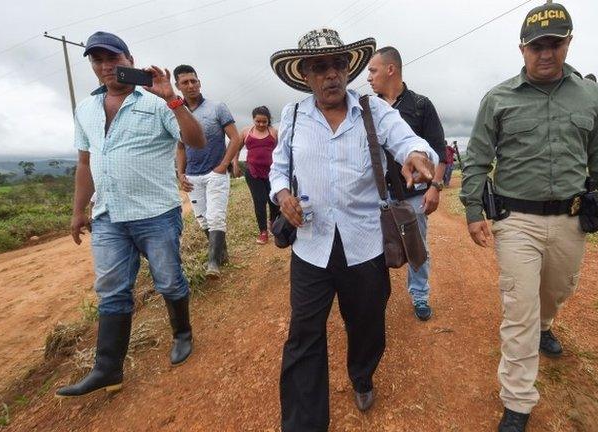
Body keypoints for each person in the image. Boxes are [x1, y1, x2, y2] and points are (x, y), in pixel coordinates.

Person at [459, 3, 598, 431]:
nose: (545, 53)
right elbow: (477, 158)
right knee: (519, 308)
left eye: (554, 44)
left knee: (558, 289)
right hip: (516, 220)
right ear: (523, 49)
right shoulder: (498, 99)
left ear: (567, 44)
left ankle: (546, 323)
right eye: (536, 45)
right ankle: (518, 401)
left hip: (571, 221)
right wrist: (472, 209)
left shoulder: (590, 95)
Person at [269, 28, 438, 430]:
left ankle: (362, 374)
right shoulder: (292, 115)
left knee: (367, 324)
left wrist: (415, 154)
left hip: (364, 244)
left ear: (348, 69)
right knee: (304, 336)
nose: (330, 74)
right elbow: (278, 169)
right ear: (305, 75)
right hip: (311, 245)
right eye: (319, 67)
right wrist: (281, 196)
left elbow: (408, 139)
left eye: (337, 64)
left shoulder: (373, 110)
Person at [56, 31, 205, 398]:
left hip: (155, 213)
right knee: (111, 291)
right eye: (97, 61)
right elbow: (85, 162)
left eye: (113, 59)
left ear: (129, 59)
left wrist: (172, 99)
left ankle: (182, 333)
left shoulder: (156, 101)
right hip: (108, 217)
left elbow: (196, 140)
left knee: (169, 281)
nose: (106, 67)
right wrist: (77, 211)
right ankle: (108, 368)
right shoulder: (86, 109)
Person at [367, 45, 447, 321]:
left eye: (372, 70)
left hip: (414, 195)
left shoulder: (421, 105)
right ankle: (374, 297)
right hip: (376, 195)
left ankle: (420, 295)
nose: (368, 77)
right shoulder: (367, 110)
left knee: (416, 246)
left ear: (391, 70)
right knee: (373, 248)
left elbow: (439, 148)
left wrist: (435, 187)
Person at [173, 64, 242, 276]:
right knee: (202, 218)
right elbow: (181, 147)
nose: (191, 85)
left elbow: (236, 138)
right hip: (193, 176)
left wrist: (223, 166)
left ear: (199, 82)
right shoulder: (177, 114)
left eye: (194, 81)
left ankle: (213, 264)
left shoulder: (217, 108)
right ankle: (221, 253)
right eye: (185, 82)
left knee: (216, 217)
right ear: (178, 86)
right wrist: (180, 173)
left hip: (216, 173)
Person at [237, 106, 280, 244]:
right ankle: (263, 232)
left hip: (272, 172)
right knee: (259, 201)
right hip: (253, 172)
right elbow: (236, 148)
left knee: (274, 200)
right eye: (258, 121)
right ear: (253, 119)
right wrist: (234, 164)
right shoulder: (245, 132)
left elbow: (281, 151)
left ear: (269, 121)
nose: (261, 124)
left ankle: (273, 223)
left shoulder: (274, 132)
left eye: (264, 122)